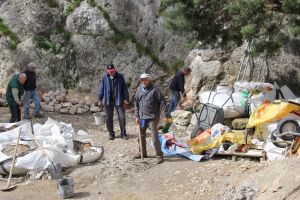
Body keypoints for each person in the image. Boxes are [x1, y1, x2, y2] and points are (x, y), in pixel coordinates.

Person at [134, 74, 168, 164]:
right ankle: (142, 153)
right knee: (140, 135)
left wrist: (165, 115)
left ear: (149, 80)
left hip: (153, 117)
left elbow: (163, 101)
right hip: (142, 118)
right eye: (142, 80)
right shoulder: (139, 89)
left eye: (145, 80)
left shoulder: (155, 89)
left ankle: (159, 155)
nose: (143, 82)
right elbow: (136, 103)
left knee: (154, 137)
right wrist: (136, 115)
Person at [98, 64, 130, 140]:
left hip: (119, 99)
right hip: (108, 101)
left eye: (112, 70)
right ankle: (111, 134)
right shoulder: (104, 78)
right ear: (107, 70)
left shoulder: (120, 77)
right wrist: (100, 99)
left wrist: (126, 99)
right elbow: (101, 89)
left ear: (114, 69)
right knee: (108, 118)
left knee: (122, 117)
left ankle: (123, 133)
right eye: (109, 70)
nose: (111, 72)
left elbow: (125, 88)